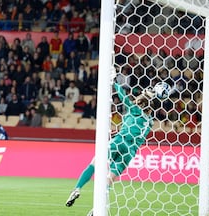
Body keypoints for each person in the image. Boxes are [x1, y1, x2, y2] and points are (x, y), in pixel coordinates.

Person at [65, 80, 156, 216]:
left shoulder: (134, 109)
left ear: (141, 103)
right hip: (130, 151)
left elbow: (123, 96)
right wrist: (148, 97)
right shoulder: (150, 122)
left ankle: (77, 189)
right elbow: (145, 108)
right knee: (109, 179)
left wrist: (114, 82)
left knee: (95, 163)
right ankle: (98, 210)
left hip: (119, 141)